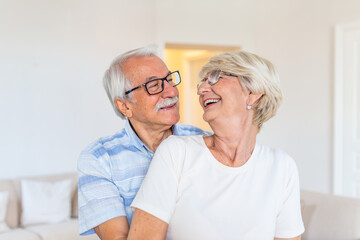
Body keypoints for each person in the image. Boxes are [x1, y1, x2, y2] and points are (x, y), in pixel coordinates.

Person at [129, 50, 305, 240]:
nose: (201, 89)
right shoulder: (177, 152)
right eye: (201, 83)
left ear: (253, 92)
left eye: (214, 78)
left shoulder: (282, 167)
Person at [77, 46, 208, 240]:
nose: (171, 91)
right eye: (154, 85)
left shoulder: (204, 141)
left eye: (170, 80)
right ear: (125, 106)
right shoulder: (99, 159)